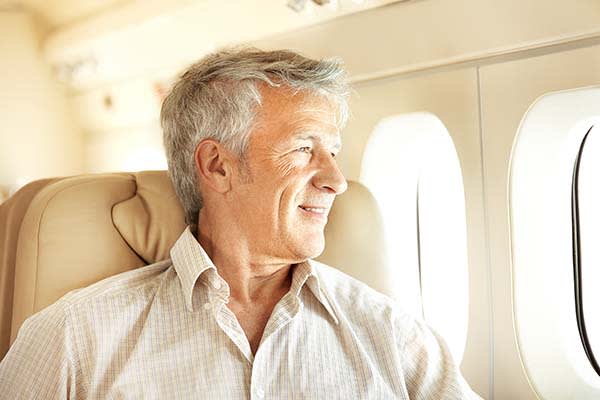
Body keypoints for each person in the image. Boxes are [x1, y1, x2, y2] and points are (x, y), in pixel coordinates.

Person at [0, 48, 480, 399]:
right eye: (303, 149)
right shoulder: (74, 336)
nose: (337, 180)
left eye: (333, 152)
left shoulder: (395, 336)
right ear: (217, 166)